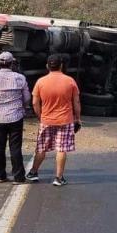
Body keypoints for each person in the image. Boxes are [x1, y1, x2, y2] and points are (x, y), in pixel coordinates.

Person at [26, 54, 81, 187]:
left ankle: (33, 172)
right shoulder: (70, 81)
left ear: (47, 66)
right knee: (61, 149)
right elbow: (76, 102)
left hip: (46, 120)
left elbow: (34, 103)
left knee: (41, 148)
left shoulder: (40, 82)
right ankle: (58, 177)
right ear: (61, 65)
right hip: (64, 120)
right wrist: (77, 118)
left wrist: (40, 116)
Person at [0, 51, 31, 184]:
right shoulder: (20, 78)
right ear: (12, 64)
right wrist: (22, 107)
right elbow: (27, 98)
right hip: (16, 117)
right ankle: (18, 176)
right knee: (15, 147)